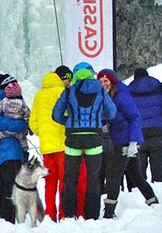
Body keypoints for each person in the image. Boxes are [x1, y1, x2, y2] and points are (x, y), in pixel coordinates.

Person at [52, 62, 115, 220]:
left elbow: (56, 114)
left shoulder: (68, 91)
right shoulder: (100, 89)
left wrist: (69, 120)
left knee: (70, 178)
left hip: (73, 137)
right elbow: (112, 112)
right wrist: (97, 117)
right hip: (94, 136)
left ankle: (69, 215)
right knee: (94, 178)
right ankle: (92, 216)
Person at [97, 69, 158, 218]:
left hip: (124, 142)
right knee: (136, 176)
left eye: (106, 81)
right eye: (101, 81)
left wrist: (133, 141)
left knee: (113, 176)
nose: (104, 84)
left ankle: (109, 212)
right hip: (117, 140)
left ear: (112, 82)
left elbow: (135, 117)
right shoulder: (105, 97)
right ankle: (154, 202)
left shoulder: (121, 96)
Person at [30, 65, 76, 221]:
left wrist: (43, 133)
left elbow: (33, 123)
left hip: (46, 147)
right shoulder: (63, 92)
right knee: (64, 181)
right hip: (63, 146)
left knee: (50, 183)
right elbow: (69, 115)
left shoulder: (39, 95)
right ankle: (63, 214)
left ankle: (50, 215)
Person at [0, 73, 29, 223]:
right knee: (12, 188)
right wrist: (23, 125)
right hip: (8, 152)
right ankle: (6, 223)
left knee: (4, 187)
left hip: (0, 153)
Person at [128, 67, 162, 183]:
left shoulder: (129, 92)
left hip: (139, 133)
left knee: (140, 167)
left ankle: (141, 193)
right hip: (156, 132)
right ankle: (158, 186)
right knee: (157, 165)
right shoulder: (159, 89)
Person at [0, 75, 30, 163]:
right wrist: (25, 125)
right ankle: (25, 153)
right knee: (22, 139)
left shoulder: (4, 101)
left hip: (7, 153)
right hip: (7, 153)